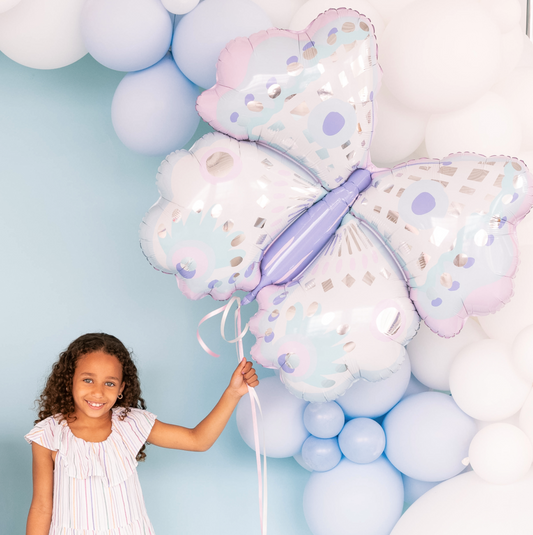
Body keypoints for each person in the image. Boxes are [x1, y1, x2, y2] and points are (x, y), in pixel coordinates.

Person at [25, 332, 259, 535]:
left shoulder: (131, 423)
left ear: (121, 388)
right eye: (88, 380)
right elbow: (42, 507)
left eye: (109, 383)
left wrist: (233, 393)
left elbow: (198, 440)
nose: (98, 392)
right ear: (69, 381)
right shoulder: (48, 435)